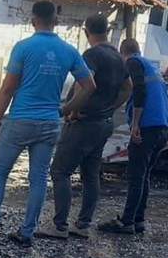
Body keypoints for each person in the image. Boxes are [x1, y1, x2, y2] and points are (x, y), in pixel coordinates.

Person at [0, 1, 96, 246]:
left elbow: (8, 88)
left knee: (0, 172)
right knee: (38, 178)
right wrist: (65, 110)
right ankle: (26, 233)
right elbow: (89, 86)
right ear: (56, 21)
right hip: (49, 123)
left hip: (20, 120)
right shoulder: (69, 51)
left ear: (33, 21)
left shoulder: (23, 47)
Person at [37, 15, 131, 240]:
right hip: (104, 123)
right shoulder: (118, 57)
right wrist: (110, 108)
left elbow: (86, 84)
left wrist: (71, 110)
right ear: (107, 30)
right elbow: (128, 88)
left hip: (85, 123)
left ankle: (60, 226)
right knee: (90, 174)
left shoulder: (92, 55)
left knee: (60, 171)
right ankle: (83, 224)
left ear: (87, 32)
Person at [99, 38, 168, 235]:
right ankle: (138, 219)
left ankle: (127, 221)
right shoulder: (150, 66)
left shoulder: (133, 63)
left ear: (123, 53)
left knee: (135, 176)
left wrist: (135, 124)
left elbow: (138, 90)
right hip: (162, 127)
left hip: (147, 127)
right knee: (144, 175)